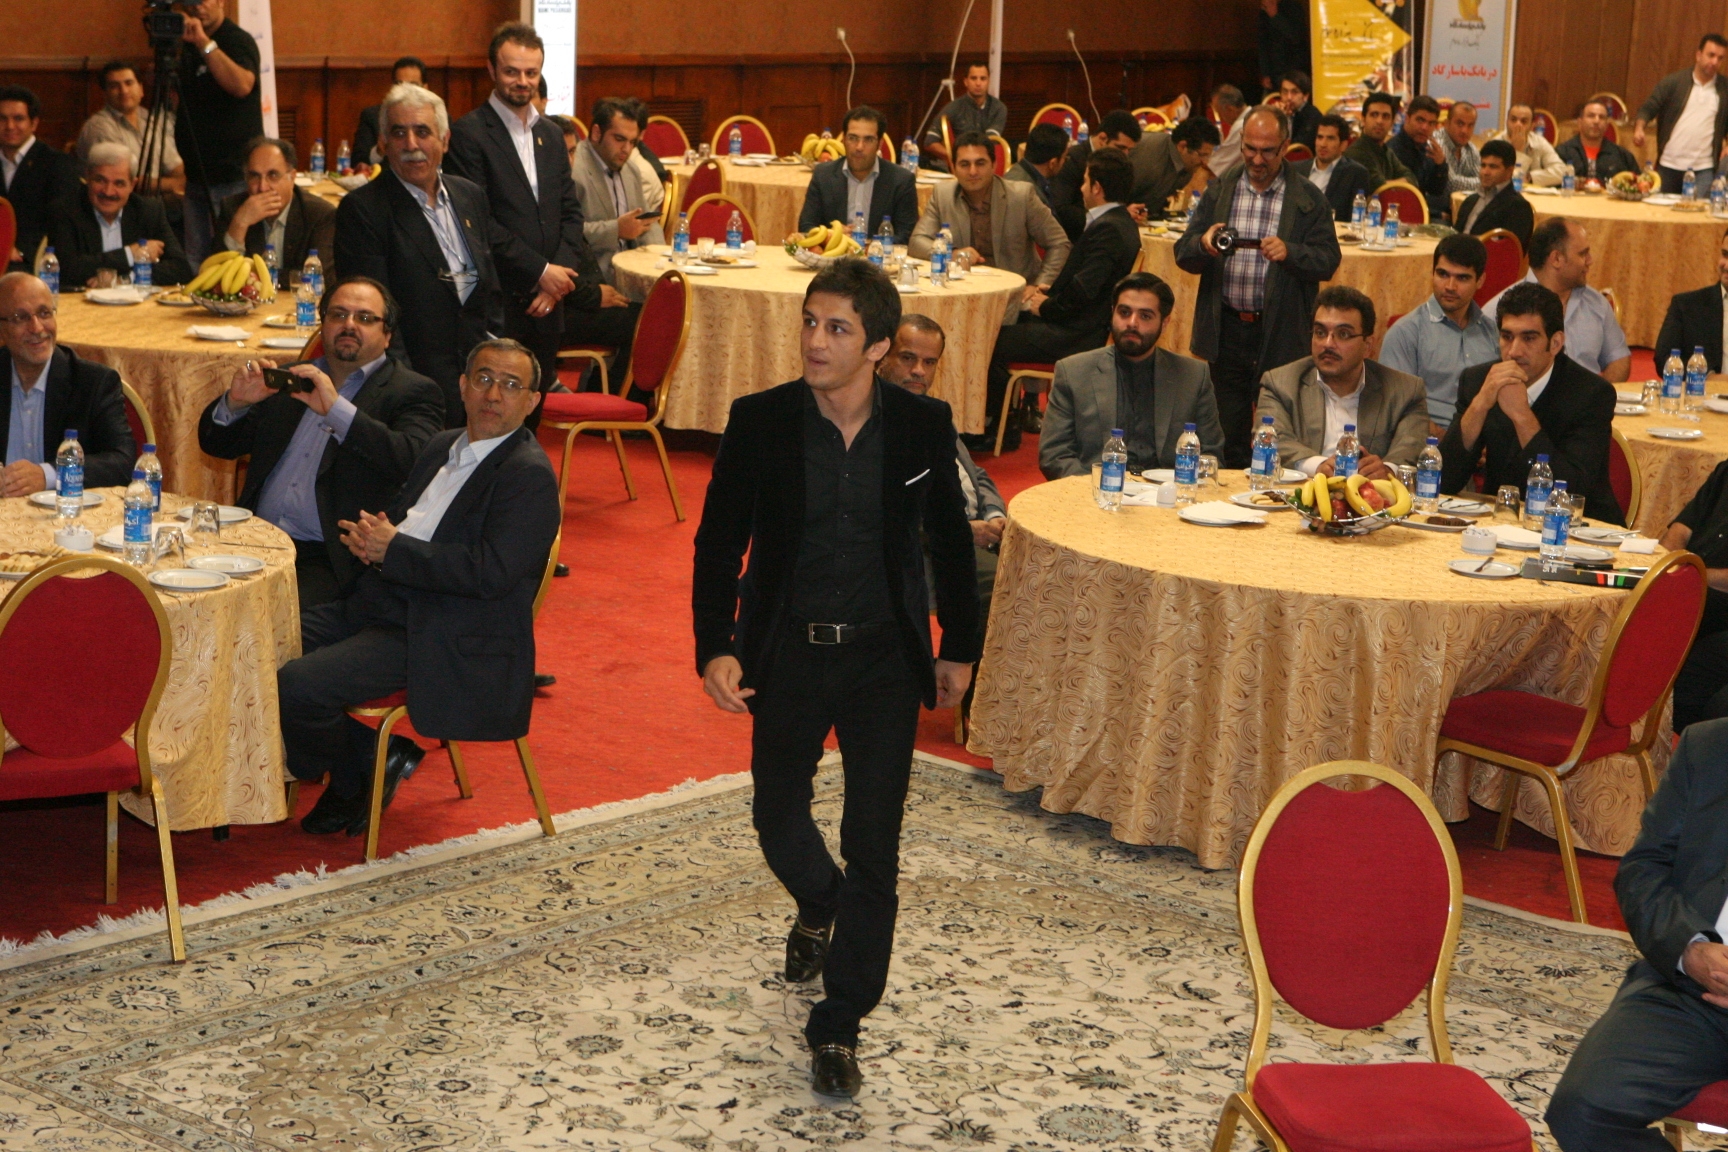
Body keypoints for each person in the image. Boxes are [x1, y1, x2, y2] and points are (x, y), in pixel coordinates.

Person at [692, 260, 978, 1100]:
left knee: (874, 843)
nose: (815, 341)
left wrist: (959, 646)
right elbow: (719, 543)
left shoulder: (922, 427)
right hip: (788, 653)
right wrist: (715, 645)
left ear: (878, 345)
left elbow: (947, 539)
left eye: (838, 328)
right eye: (810, 322)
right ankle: (821, 900)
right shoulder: (761, 420)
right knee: (777, 815)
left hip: (884, 660)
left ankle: (840, 1023)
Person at [278, 337, 559, 837]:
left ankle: (358, 769)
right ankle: (373, 756)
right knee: (255, 646)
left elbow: (491, 573)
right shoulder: (442, 445)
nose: (494, 394)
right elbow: (409, 523)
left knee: (298, 685)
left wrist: (395, 551)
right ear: (463, 386)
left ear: (532, 401)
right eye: (484, 379)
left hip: (441, 628)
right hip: (382, 600)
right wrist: (374, 538)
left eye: (511, 385)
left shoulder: (527, 475)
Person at [197, 276, 445, 608]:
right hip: (252, 540)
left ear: (387, 335)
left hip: (329, 557)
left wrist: (338, 411)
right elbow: (217, 445)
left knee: (257, 612)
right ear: (322, 324)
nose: (349, 325)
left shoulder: (412, 392)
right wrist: (236, 404)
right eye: (338, 315)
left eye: (365, 318)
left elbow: (412, 462)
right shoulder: (290, 378)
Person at [1543, 718, 1728, 1151]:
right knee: (1583, 1111)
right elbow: (1644, 869)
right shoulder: (1711, 746)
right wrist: (1690, 949)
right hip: (1694, 989)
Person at [334, 83, 543, 426]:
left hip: (478, 377)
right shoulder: (364, 210)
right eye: (398, 133)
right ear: (383, 144)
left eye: (422, 132)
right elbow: (373, 316)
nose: (411, 144)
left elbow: (488, 288)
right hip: (413, 380)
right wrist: (404, 389)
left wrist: (492, 361)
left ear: (445, 141)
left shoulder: (469, 196)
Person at [1175, 104, 1342, 468]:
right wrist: (1203, 244)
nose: (1256, 159)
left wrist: (1292, 253)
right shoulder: (1221, 189)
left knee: (1278, 436)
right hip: (1226, 330)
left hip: (1281, 332)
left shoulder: (1308, 198)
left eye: (1267, 151)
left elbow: (1329, 260)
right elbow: (1182, 253)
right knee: (1226, 437)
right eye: (1249, 148)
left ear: (1285, 147)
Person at [444, 22, 587, 396]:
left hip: (549, 302)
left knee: (535, 403)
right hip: (500, 300)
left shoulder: (551, 134)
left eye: (531, 73)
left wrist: (557, 281)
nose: (523, 82)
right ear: (492, 70)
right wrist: (541, 271)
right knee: (495, 407)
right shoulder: (469, 134)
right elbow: (477, 223)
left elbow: (571, 212)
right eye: (512, 72)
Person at [980, 148, 1141, 448]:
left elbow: (1084, 292)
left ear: (1097, 187)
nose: (1081, 188)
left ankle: (995, 428)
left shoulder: (1109, 228)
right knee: (1007, 321)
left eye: (1085, 181)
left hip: (1076, 334)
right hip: (1078, 323)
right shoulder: (1119, 222)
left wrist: (1046, 307)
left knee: (989, 340)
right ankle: (1005, 419)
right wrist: (1049, 293)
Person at [1439, 281, 1623, 524]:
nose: (1514, 351)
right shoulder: (1478, 381)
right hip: (1502, 521)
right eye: (1507, 337)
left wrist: (1522, 416)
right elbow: (1444, 481)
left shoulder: (1591, 394)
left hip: (1579, 527)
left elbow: (1571, 489)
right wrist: (1480, 405)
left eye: (1529, 338)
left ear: (1555, 343)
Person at [877, 313, 1003, 627]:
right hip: (929, 545)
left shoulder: (933, 412)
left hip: (980, 529)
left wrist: (994, 514)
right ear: (882, 355)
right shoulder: (873, 420)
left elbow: (974, 473)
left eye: (930, 362)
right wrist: (965, 530)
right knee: (1003, 587)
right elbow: (885, 509)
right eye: (908, 358)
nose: (919, 371)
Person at [1039, 272, 1225, 479]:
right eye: (1124, 312)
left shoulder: (1192, 376)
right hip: (1097, 489)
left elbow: (1211, 455)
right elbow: (1055, 455)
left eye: (1145, 316)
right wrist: (1094, 488)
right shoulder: (1073, 372)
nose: (1132, 323)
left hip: (1169, 490)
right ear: (1112, 313)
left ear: (1164, 323)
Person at [1257, 285, 1429, 478]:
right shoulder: (1280, 383)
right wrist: (1319, 466)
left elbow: (1411, 446)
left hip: (1372, 493)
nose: (1328, 344)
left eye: (1343, 334)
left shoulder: (1406, 391)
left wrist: (1387, 469)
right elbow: (1272, 439)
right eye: (1320, 332)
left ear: (1367, 346)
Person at [0, 272, 136, 493]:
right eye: (21, 317)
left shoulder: (93, 382)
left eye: (44, 313)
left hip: (66, 510)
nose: (37, 328)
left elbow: (123, 462)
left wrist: (48, 475)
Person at [908, 132, 1069, 307]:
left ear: (994, 165)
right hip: (961, 295)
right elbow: (917, 241)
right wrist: (952, 254)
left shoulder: (1021, 196)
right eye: (964, 164)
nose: (972, 172)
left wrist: (1039, 285)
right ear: (953, 168)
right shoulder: (943, 195)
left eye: (980, 163)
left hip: (1013, 297)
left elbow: (1059, 243)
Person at [1484, 217, 1630, 382]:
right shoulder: (1497, 311)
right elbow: (1483, 375)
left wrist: (1599, 394)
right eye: (1583, 254)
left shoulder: (1596, 303)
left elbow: (1618, 358)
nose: (1590, 261)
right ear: (1556, 259)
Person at [1380, 233, 1501, 433]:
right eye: (1443, 274)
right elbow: (1397, 408)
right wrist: (1449, 442)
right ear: (1432, 273)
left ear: (1480, 280)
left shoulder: (1493, 333)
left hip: (1484, 439)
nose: (1450, 287)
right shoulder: (1405, 333)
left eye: (1462, 278)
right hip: (1425, 441)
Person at [173, 0, 263, 265]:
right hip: (195, 175)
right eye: (191, 1)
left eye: (204, 0)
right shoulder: (186, 44)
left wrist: (204, 42)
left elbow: (242, 85)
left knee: (228, 258)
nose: (197, 7)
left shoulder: (237, 40)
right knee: (196, 260)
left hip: (231, 175)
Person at [46, 144, 193, 288]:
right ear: (88, 178)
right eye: (100, 180)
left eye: (119, 184)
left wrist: (126, 279)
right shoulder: (65, 210)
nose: (108, 191)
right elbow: (65, 269)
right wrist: (130, 254)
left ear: (132, 185)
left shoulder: (149, 211)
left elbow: (181, 269)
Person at [215, 137, 336, 290]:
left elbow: (318, 277)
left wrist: (252, 276)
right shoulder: (233, 208)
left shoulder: (319, 214)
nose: (262, 187)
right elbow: (217, 275)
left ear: (292, 177)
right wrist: (239, 225)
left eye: (272, 175)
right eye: (254, 176)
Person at [569, 97, 665, 285]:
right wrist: (616, 230)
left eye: (633, 142)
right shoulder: (573, 169)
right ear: (597, 133)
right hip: (593, 280)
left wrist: (661, 263)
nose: (627, 149)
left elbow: (647, 222)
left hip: (634, 273)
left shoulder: (631, 170)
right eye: (619, 139)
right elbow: (567, 234)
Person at [1661, 470, 1728, 730]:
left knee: (1687, 669)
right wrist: (1669, 565)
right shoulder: (1725, 472)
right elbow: (1680, 529)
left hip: (1717, 608)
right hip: (1690, 589)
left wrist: (1692, 574)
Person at [797, 106, 919, 245]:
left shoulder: (901, 180)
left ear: (879, 144)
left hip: (879, 256)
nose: (859, 147)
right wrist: (832, 235)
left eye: (868, 139)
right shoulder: (823, 175)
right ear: (844, 140)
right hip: (833, 254)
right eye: (853, 138)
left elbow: (906, 236)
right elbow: (806, 227)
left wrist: (867, 244)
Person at [1634, 33, 1728, 193]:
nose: (1714, 62)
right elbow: (1648, 108)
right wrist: (1639, 128)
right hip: (1668, 165)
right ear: (1698, 55)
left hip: (1703, 169)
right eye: (1711, 55)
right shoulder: (1673, 82)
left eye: (1720, 58)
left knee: (1698, 209)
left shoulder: (1725, 89)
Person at [0, 86, 79, 271]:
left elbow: (59, 221)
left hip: (32, 261)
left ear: (34, 123)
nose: (9, 126)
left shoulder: (57, 164)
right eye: (2, 118)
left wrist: (19, 251)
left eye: (18, 118)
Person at [76, 61, 185, 194]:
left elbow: (175, 165)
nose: (124, 91)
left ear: (141, 89)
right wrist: (176, 184)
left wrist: (187, 181)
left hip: (155, 198)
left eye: (129, 83)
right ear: (105, 94)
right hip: (118, 200)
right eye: (114, 86)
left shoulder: (148, 118)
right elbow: (121, 180)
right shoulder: (99, 127)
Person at [1656, 227, 1728, 373]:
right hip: (1707, 387)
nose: (1726, 266)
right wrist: (1707, 377)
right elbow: (1664, 359)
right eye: (1725, 255)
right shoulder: (1686, 306)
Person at [922, 64, 1008, 171]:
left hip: (986, 167)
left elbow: (989, 142)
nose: (978, 83)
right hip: (959, 168)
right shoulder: (952, 108)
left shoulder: (999, 108)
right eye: (973, 78)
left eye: (983, 79)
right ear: (966, 81)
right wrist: (955, 157)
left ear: (988, 81)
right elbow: (929, 142)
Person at [1288, 114, 1373, 222]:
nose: (1323, 144)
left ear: (1343, 145)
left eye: (1330, 138)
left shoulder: (1356, 173)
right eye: (1320, 137)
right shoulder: (1296, 169)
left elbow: (1354, 221)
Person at [1455, 139, 1534, 249]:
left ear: (1510, 171)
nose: (1485, 172)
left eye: (1493, 167)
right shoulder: (1470, 201)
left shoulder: (1518, 207)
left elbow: (1510, 251)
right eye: (1483, 165)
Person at [1387, 94, 1451, 222]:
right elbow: (1405, 197)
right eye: (1420, 120)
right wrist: (1436, 214)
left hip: (1420, 214)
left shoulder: (1427, 149)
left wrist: (1440, 165)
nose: (1425, 128)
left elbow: (1435, 191)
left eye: (1431, 123)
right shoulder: (1393, 150)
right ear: (1407, 118)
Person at [353, 57, 426, 167]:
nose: (405, 90)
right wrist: (378, 152)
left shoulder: (438, 117)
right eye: (399, 84)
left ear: (425, 88)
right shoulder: (372, 116)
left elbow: (448, 166)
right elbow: (358, 162)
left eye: (412, 85)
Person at [1557, 99, 1642, 183]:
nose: (1596, 121)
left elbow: (1638, 184)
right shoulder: (1562, 153)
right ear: (1580, 122)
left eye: (1601, 117)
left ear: (1607, 125)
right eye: (1591, 116)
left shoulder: (1623, 157)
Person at [1344, 92, 1413, 188]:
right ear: (1363, 120)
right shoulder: (1356, 152)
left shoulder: (1387, 152)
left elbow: (1412, 178)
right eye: (1374, 115)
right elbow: (1377, 186)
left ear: (1392, 123)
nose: (1379, 121)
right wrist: (1402, 184)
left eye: (1385, 116)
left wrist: (1390, 184)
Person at [1490, 103, 1569, 187]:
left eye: (1523, 121)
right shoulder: (1495, 144)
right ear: (1506, 122)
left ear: (1532, 125)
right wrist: (1518, 151)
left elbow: (1562, 172)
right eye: (1513, 120)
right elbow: (1506, 181)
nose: (1518, 124)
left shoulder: (1540, 142)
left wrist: (1530, 177)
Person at [1005, 123, 1069, 207]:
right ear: (1052, 163)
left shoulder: (1017, 170)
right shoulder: (1033, 199)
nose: (1065, 162)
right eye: (1065, 158)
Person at [1259, 0, 1308, 99]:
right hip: (1273, 73)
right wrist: (1265, 73)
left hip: (1293, 70)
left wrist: (1275, 16)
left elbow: (1296, 37)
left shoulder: (1293, 7)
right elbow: (1263, 43)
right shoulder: (1264, 13)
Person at [1438, 99, 1481, 195]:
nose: (1465, 130)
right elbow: (1450, 184)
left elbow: (1482, 176)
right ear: (1446, 123)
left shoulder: (1471, 149)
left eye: (1470, 125)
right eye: (1460, 124)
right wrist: (1484, 183)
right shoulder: (1438, 144)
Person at [1208, 85, 1249, 177]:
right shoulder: (1254, 113)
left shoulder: (1241, 126)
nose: (1220, 118)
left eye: (1219, 113)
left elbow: (1216, 167)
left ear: (1229, 109)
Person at [1279, 70, 1321, 149]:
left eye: (1294, 92)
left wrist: (1287, 119)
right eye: (1285, 92)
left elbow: (1297, 148)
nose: (1289, 97)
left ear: (1305, 96)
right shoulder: (1278, 113)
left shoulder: (1313, 116)